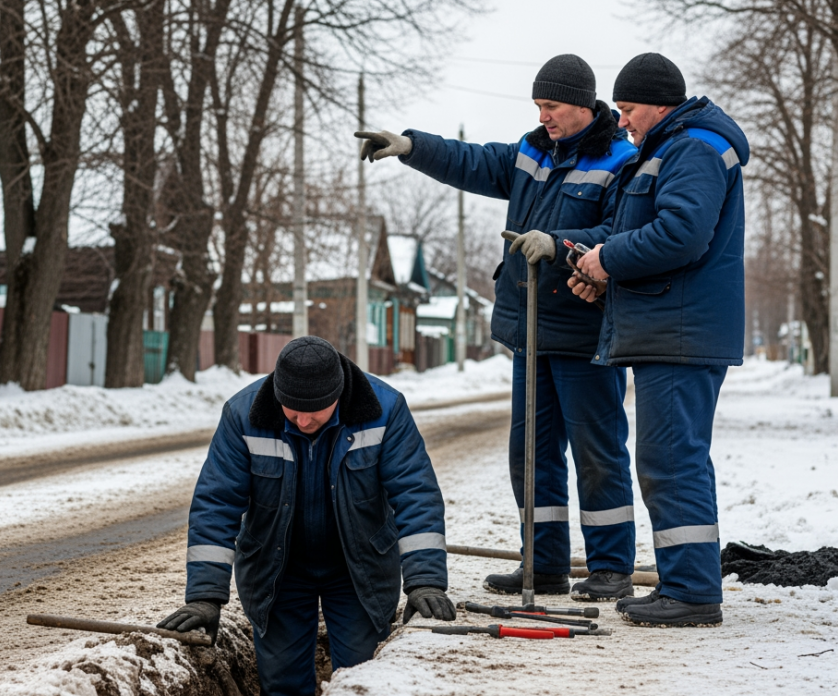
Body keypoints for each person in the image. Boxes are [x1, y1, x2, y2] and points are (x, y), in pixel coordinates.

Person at [355, 54, 639, 601]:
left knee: (597, 453)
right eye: (537, 105)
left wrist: (560, 244)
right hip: (529, 330)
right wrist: (412, 146)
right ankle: (545, 564)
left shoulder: (620, 162)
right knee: (531, 453)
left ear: (581, 104)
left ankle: (610, 567)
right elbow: (475, 161)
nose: (543, 115)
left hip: (583, 335)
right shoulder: (532, 151)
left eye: (551, 105)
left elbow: (617, 230)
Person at [158, 336, 453, 695]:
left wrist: (425, 579)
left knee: (362, 678)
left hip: (358, 568)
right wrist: (205, 594)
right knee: (282, 684)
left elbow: (415, 493)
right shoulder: (243, 415)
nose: (301, 419)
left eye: (314, 409)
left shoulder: (384, 410)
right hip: (278, 571)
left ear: (339, 393)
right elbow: (216, 503)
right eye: (292, 408)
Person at [568, 53, 749, 627]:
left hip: (681, 331)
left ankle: (693, 591)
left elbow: (679, 235)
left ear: (661, 104)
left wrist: (607, 259)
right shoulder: (670, 147)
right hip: (673, 325)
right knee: (669, 458)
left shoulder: (691, 147)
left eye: (628, 110)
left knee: (671, 460)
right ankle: (683, 581)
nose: (622, 122)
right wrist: (600, 272)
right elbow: (647, 235)